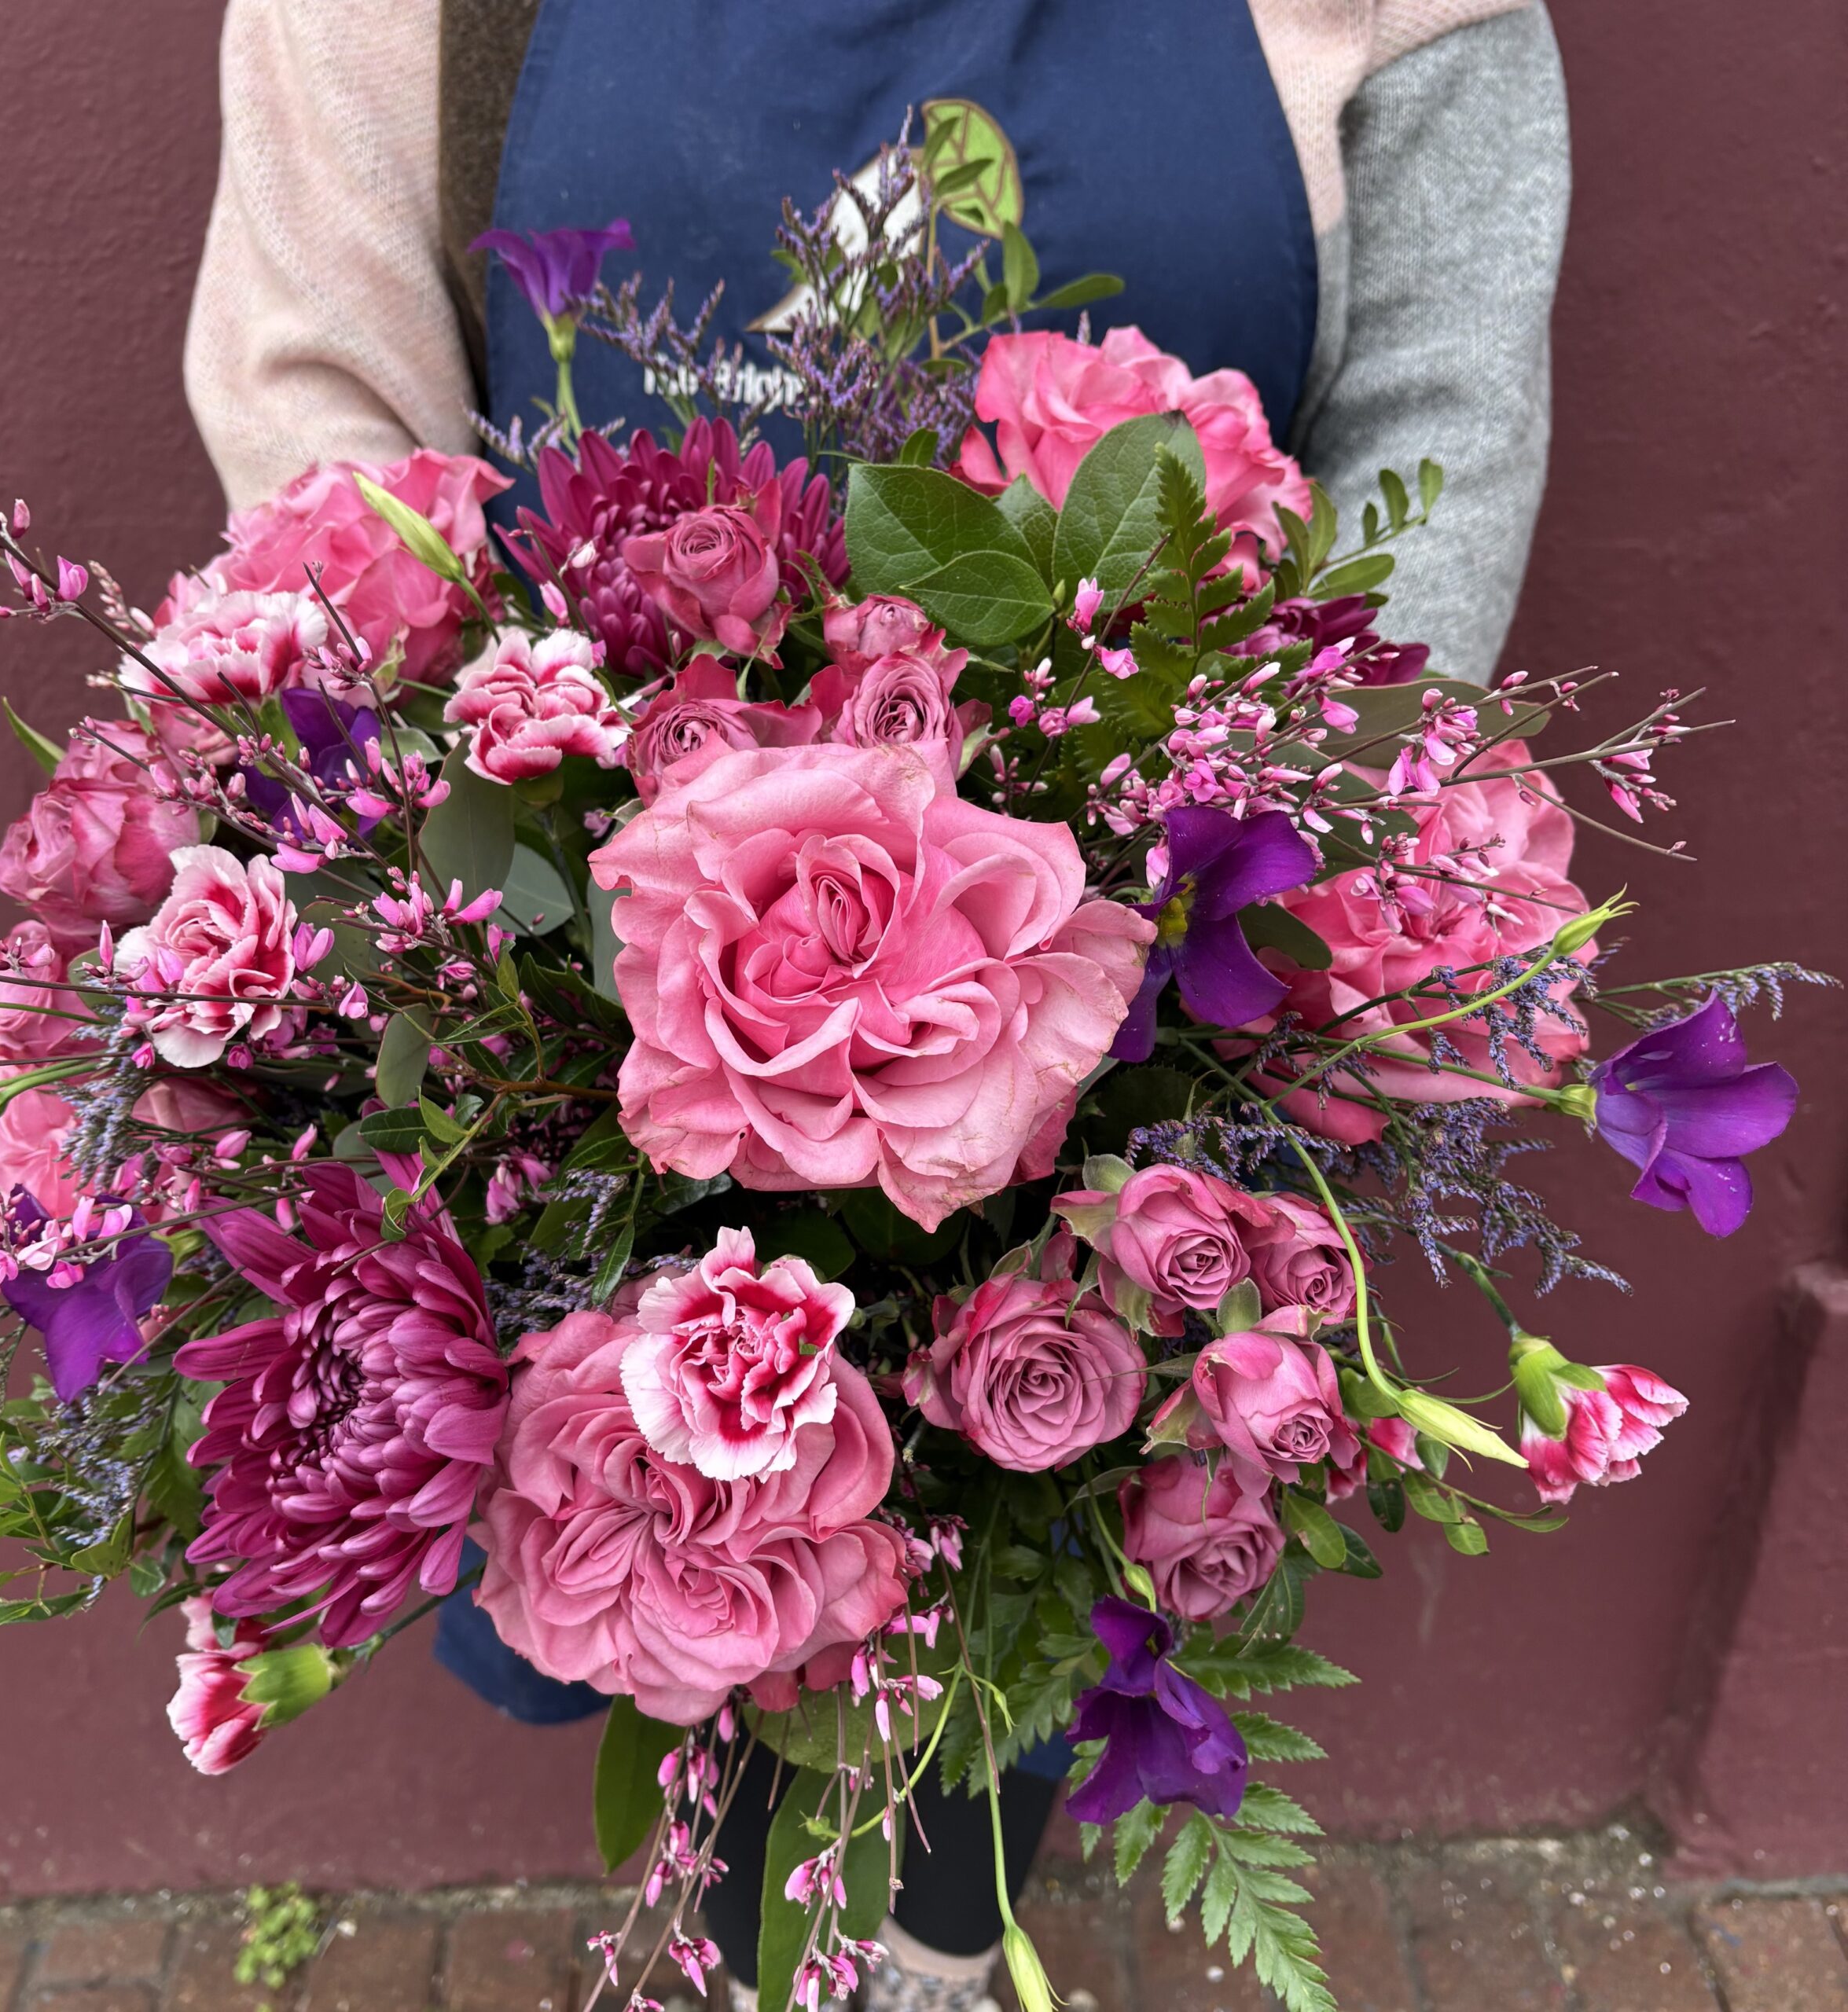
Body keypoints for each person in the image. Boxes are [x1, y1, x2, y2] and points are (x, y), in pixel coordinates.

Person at [183, 5, 1568, 2004]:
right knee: (676, 1547)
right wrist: (535, 901)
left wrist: (1222, 900)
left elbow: (1433, 436)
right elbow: (326, 413)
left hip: (1158, 985)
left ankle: (924, 1949)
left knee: (1032, 1544)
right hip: (603, 995)